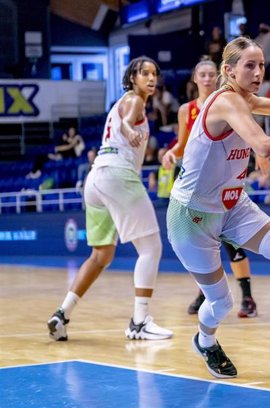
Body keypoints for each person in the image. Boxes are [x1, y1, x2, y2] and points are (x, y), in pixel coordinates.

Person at [165, 37, 270, 378]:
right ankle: (206, 341)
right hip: (191, 217)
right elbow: (265, 145)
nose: (259, 72)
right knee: (221, 304)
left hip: (232, 205)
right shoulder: (226, 102)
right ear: (228, 71)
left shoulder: (244, 98)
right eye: (250, 66)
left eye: (261, 66)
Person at [47, 56, 173, 342]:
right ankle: (140, 322)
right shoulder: (135, 100)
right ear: (132, 78)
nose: (151, 78)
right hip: (117, 174)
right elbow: (129, 120)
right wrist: (129, 129)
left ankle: (62, 314)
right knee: (151, 248)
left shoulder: (123, 102)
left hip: (95, 179)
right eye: (144, 73)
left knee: (101, 255)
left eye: (154, 74)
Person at [162, 59, 260, 318]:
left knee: (232, 244)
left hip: (226, 181)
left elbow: (252, 135)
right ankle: (205, 293)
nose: (206, 79)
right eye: (201, 75)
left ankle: (247, 297)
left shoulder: (231, 99)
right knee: (201, 243)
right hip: (198, 185)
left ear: (217, 76)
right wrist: (171, 153)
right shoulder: (187, 110)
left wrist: (262, 154)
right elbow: (182, 144)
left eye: (210, 74)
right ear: (194, 79)